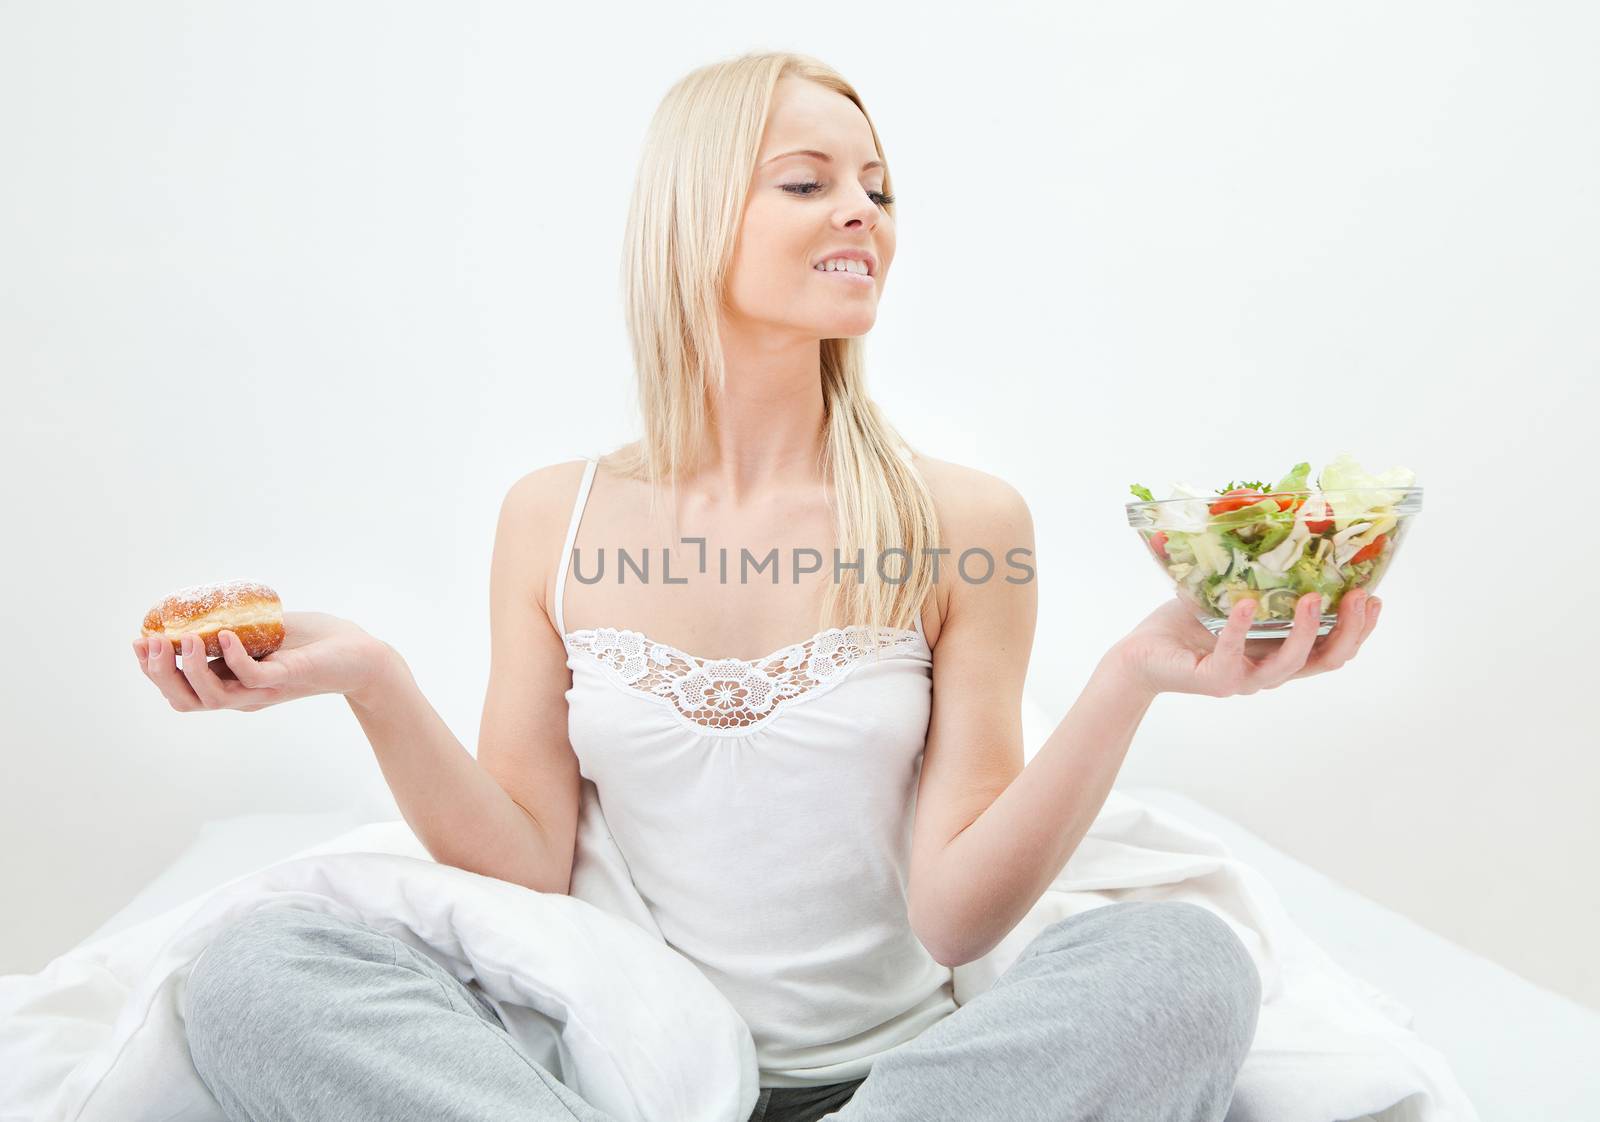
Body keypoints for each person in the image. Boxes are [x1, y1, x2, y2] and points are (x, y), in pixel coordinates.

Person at [137, 48, 1380, 1122]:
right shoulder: (550, 520)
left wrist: (1130, 680)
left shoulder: (961, 522)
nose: (864, 215)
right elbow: (521, 866)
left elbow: (955, 920)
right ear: (694, 213)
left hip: (914, 1078)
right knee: (258, 970)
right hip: (624, 1070)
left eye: (879, 189)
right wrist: (370, 678)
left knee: (1182, 960)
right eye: (808, 182)